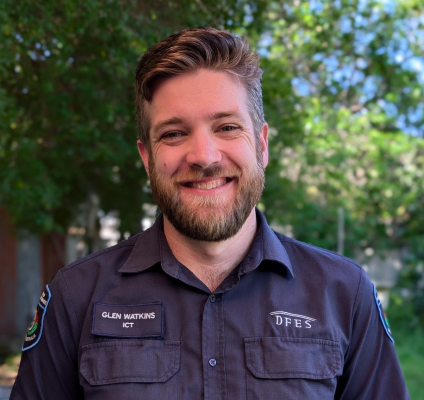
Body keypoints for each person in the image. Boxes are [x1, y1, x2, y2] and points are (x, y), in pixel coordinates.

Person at [11, 27, 409, 400]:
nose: (203, 156)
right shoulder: (75, 296)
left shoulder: (344, 293)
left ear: (262, 145)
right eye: (173, 133)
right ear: (146, 157)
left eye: (227, 127)